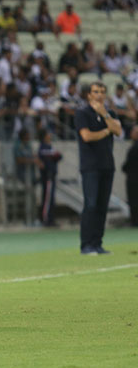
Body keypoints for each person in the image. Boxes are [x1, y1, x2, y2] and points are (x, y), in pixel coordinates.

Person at [74, 82, 122, 255]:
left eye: (102, 91)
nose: (99, 95)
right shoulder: (82, 113)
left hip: (107, 165)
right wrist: (106, 131)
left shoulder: (110, 113)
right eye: (95, 92)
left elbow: (118, 130)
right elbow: (86, 136)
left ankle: (97, 243)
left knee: (102, 206)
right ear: (89, 95)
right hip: (90, 166)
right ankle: (86, 245)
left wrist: (105, 115)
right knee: (91, 205)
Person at [37, 129, 63, 227]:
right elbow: (56, 155)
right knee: (48, 199)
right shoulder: (43, 147)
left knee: (50, 198)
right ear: (44, 136)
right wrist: (55, 155)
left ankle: (50, 218)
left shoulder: (48, 147)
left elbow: (59, 156)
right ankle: (46, 219)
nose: (50, 135)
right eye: (48, 134)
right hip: (48, 176)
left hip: (51, 176)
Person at [122, 126, 138, 226]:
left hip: (133, 178)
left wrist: (124, 168)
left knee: (134, 200)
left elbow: (128, 164)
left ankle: (135, 221)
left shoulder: (134, 148)